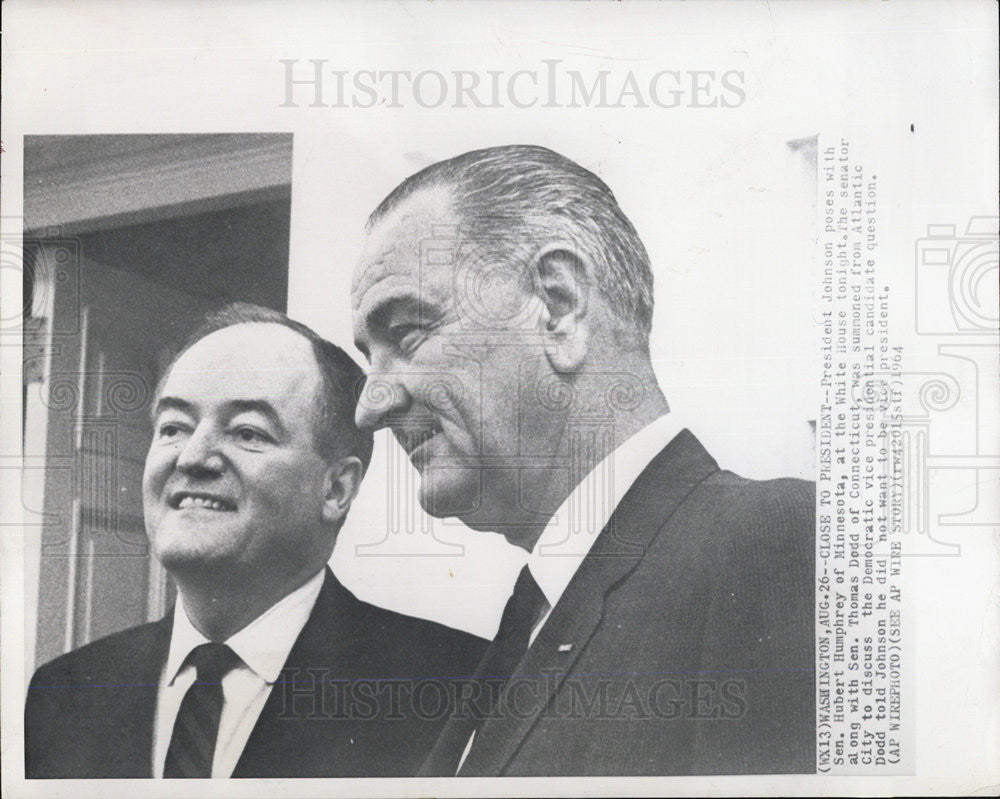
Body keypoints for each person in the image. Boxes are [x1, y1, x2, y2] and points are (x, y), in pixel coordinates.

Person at [351, 145, 815, 776]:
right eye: (368, 356)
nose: (370, 406)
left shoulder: (779, 542)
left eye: (406, 333)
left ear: (558, 307)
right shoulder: (534, 612)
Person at [25, 302, 486, 779]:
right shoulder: (62, 692)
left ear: (336, 489)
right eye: (173, 427)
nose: (192, 458)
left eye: (247, 431)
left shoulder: (456, 688)